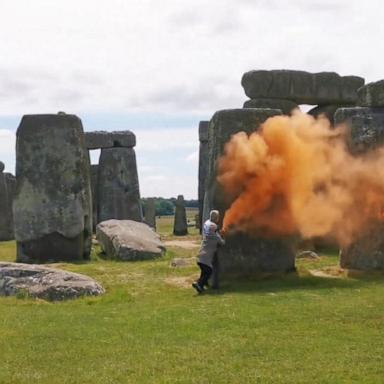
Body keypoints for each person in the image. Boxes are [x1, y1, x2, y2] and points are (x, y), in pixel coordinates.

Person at [192, 210, 225, 294]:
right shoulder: (215, 235)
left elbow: (211, 226)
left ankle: (202, 285)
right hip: (206, 257)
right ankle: (198, 283)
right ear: (216, 218)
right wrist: (223, 235)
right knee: (209, 271)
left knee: (204, 271)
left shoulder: (207, 223)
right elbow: (222, 242)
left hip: (201, 254)